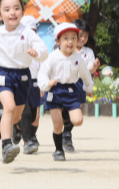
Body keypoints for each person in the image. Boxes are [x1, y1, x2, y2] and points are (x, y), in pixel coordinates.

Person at [0, 0, 48, 164]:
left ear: (22, 11)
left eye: (16, 8)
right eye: (7, 9)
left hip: (22, 76)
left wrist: (37, 53)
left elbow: (43, 51)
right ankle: (6, 145)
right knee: (10, 106)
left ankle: (1, 120)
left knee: (15, 116)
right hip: (2, 74)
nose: (12, 12)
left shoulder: (28, 33)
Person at [38, 23, 94, 161]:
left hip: (71, 91)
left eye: (74, 38)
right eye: (66, 38)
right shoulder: (52, 57)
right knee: (58, 125)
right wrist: (46, 84)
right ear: (58, 41)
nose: (70, 42)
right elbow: (42, 73)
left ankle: (65, 113)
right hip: (54, 91)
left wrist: (89, 88)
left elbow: (86, 74)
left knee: (78, 120)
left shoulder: (78, 59)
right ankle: (58, 150)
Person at [60, 18, 100, 152]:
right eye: (80, 35)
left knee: (76, 110)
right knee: (63, 111)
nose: (83, 39)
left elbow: (88, 69)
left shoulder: (88, 52)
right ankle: (63, 132)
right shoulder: (63, 49)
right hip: (64, 84)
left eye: (86, 36)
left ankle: (67, 134)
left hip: (80, 85)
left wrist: (94, 67)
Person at [18, 15, 42, 155]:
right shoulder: (17, 44)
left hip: (34, 84)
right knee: (25, 113)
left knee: (34, 116)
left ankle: (24, 133)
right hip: (20, 81)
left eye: (33, 31)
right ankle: (28, 141)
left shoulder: (39, 46)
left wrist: (43, 84)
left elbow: (43, 66)